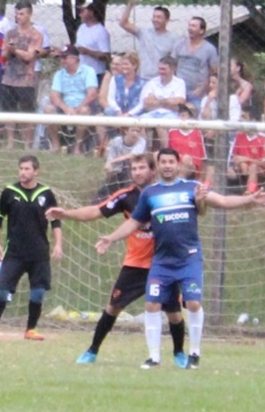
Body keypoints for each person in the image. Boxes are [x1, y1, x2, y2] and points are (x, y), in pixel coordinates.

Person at [96, 147, 265, 369]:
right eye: (163, 162)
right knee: (152, 305)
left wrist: (250, 200)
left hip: (188, 258)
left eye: (171, 161)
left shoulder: (193, 188)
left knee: (193, 303)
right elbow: (133, 222)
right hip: (161, 260)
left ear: (178, 164)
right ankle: (154, 357)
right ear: (158, 166)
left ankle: (195, 353)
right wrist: (111, 238)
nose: (167, 165)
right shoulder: (150, 194)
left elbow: (224, 201)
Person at [45, 153, 187, 366]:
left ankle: (179, 354)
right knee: (113, 307)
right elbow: (95, 211)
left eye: (141, 168)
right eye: (134, 168)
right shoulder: (125, 197)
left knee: (174, 313)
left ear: (152, 170)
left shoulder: (167, 194)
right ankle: (92, 351)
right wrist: (66, 215)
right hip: (135, 264)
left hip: (162, 264)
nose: (137, 172)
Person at [0, 155, 62, 340]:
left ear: (36, 171)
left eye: (27, 169)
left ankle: (30, 329)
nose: (23, 172)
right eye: (21, 168)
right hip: (15, 252)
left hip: (39, 253)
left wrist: (58, 244)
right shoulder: (9, 192)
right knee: (2, 290)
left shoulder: (46, 194)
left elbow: (56, 220)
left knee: (38, 292)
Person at [0, 0, 44, 148]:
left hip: (26, 78)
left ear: (29, 14)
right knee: (8, 111)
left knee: (27, 111)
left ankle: (27, 144)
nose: (18, 17)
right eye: (17, 14)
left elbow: (29, 56)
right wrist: (8, 51)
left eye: (22, 13)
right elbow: (3, 55)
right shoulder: (10, 33)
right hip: (9, 77)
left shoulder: (36, 34)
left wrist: (14, 50)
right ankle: (10, 143)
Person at [43, 44, 98, 153]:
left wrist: (77, 109)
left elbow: (92, 94)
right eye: (61, 58)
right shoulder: (59, 74)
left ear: (75, 58)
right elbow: (54, 95)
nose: (62, 60)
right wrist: (66, 109)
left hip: (83, 106)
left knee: (84, 111)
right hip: (65, 108)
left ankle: (78, 147)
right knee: (48, 109)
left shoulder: (88, 71)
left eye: (65, 57)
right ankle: (56, 146)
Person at [119, 0, 178, 82]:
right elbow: (123, 23)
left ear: (167, 20)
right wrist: (130, 4)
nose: (155, 19)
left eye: (159, 17)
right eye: (154, 17)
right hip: (141, 79)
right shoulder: (144, 32)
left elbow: (173, 63)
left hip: (160, 80)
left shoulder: (173, 39)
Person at [172, 16, 218, 106]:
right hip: (178, 91)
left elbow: (214, 72)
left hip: (197, 93)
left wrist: (202, 88)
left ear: (201, 31)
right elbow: (172, 66)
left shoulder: (209, 49)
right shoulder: (179, 44)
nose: (189, 28)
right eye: (189, 25)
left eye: (193, 26)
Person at [74, 2, 112, 84]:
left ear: (91, 12)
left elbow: (106, 56)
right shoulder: (81, 28)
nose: (80, 14)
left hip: (96, 73)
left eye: (83, 11)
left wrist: (88, 52)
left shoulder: (101, 31)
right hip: (81, 72)